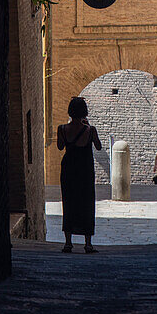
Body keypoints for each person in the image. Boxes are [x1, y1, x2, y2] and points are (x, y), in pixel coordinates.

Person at [57, 97, 102, 254]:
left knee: (68, 203)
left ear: (70, 111)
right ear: (85, 112)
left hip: (69, 169)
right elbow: (98, 146)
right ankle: (88, 244)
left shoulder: (62, 129)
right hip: (85, 170)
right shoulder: (90, 130)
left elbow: (60, 146)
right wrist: (88, 127)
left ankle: (68, 243)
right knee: (87, 204)